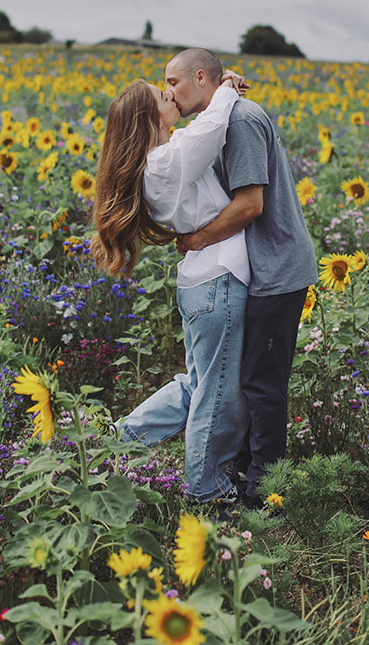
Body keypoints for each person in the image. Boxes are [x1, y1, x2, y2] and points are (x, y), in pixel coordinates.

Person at [91, 69, 250, 504]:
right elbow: (212, 128)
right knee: (217, 392)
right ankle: (206, 490)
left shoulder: (160, 161)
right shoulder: (163, 164)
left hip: (202, 282)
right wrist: (225, 89)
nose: (171, 97)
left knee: (196, 385)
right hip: (217, 280)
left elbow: (198, 133)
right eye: (162, 95)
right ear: (149, 117)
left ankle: (117, 441)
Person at [167, 48, 318, 507]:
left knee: (262, 384)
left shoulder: (241, 121)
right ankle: (239, 474)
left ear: (200, 77)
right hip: (256, 268)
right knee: (242, 379)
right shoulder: (220, 116)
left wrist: (197, 240)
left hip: (276, 268)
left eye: (173, 82)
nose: (168, 92)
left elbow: (251, 204)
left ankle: (263, 495)